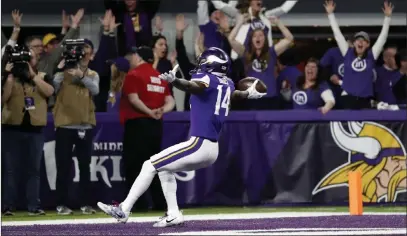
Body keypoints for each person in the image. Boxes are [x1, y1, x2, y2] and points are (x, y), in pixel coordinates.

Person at [97, 47, 266, 227]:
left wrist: (175, 81)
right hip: (211, 147)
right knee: (164, 169)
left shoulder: (207, 78)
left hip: (199, 143)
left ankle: (124, 209)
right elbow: (235, 95)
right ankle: (173, 213)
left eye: (203, 62)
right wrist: (249, 93)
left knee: (149, 164)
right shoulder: (228, 84)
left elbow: (193, 86)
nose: (199, 66)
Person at [119, 46, 175, 212]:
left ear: (137, 57)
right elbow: (170, 100)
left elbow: (133, 99)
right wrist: (160, 111)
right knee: (155, 165)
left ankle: (138, 204)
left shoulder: (133, 74)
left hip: (137, 124)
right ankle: (160, 203)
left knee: (134, 165)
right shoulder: (159, 76)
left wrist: (149, 112)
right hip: (155, 126)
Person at [2, 48, 54, 216]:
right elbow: (3, 99)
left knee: (34, 170)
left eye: (29, 58)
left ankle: (34, 205)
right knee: (10, 169)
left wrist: (32, 75)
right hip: (11, 128)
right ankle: (7, 205)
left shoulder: (42, 76)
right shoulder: (8, 77)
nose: (26, 61)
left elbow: (49, 92)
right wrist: (8, 76)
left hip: (35, 130)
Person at [52, 39, 99, 215]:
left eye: (86, 49)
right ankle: (61, 204)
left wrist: (80, 75)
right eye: (81, 50)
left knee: (85, 167)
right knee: (63, 167)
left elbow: (95, 90)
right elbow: (52, 87)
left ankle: (86, 204)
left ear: (91, 54)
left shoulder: (93, 74)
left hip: (85, 125)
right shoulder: (63, 74)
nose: (83, 53)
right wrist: (60, 68)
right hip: (65, 124)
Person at [324, 0, 393, 109]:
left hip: (365, 100)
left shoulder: (371, 55)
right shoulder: (347, 53)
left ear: (368, 44)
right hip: (347, 99)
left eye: (363, 40)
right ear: (354, 43)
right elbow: (337, 35)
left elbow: (382, 38)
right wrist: (330, 15)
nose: (360, 42)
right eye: (357, 39)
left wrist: (387, 18)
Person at [228, 14, 293, 109]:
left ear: (265, 38)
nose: (258, 38)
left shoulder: (271, 52)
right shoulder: (245, 53)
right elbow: (231, 39)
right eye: (255, 36)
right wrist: (240, 23)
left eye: (260, 35)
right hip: (252, 100)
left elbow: (289, 38)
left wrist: (278, 23)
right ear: (251, 39)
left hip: (271, 99)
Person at [212, 0, 298, 60]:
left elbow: (284, 9)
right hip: (241, 56)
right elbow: (219, 5)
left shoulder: (266, 16)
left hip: (262, 57)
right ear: (250, 2)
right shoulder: (240, 15)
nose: (259, 1)